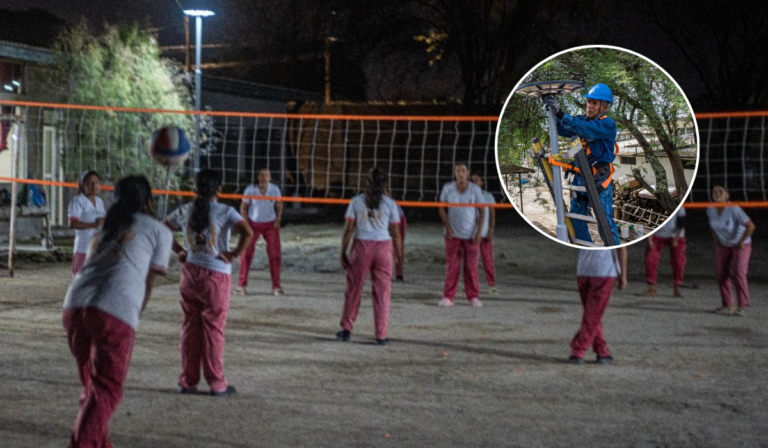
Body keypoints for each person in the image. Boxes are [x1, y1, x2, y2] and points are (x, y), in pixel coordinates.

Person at [63, 175, 173, 448]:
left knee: (92, 389)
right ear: (149, 201)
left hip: (74, 305)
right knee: (105, 391)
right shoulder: (158, 230)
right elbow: (147, 282)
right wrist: (133, 317)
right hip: (114, 310)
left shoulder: (106, 229)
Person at [165, 169, 253, 396]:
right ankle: (216, 383)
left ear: (194, 189)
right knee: (213, 330)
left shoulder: (185, 210)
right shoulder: (225, 211)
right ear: (219, 190)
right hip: (215, 275)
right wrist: (233, 254)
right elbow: (248, 233)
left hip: (190, 273)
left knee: (190, 328)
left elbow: (162, 229)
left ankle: (187, 381)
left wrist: (180, 250)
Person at [546, 83, 621, 246]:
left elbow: (586, 129)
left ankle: (613, 253)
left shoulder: (608, 124)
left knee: (605, 224)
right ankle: (587, 248)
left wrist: (561, 113)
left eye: (594, 103)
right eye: (588, 102)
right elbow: (564, 129)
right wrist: (552, 112)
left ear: (605, 106)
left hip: (599, 180)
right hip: (580, 178)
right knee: (575, 220)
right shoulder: (581, 120)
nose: (589, 106)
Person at [338, 167, 402, 345]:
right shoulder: (390, 204)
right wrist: (400, 258)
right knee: (382, 294)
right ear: (385, 184)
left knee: (353, 290)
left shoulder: (356, 201)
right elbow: (396, 233)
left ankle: (346, 330)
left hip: (361, 248)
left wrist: (342, 251)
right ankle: (381, 335)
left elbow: (348, 229)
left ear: (366, 182)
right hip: (383, 249)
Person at [569, 247, 628, 365]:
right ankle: (579, 349)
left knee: (592, 314)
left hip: (583, 269)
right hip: (604, 270)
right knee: (593, 315)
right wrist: (623, 275)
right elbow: (621, 248)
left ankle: (601, 350)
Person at [438, 162, 485, 307]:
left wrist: (479, 232)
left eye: (463, 171)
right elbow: (441, 208)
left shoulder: (475, 189)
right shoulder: (448, 188)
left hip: (471, 235)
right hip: (453, 234)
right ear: (454, 174)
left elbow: (482, 211)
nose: (460, 173)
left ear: (468, 173)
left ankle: (473, 297)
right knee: (452, 267)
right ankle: (448, 297)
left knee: (471, 268)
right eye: (457, 171)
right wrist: (447, 228)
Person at [707, 185, 756, 316]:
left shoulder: (733, 208)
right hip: (724, 244)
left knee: (739, 272)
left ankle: (742, 305)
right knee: (721, 273)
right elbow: (712, 226)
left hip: (741, 243)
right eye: (714, 191)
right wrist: (716, 239)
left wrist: (741, 241)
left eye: (720, 191)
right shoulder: (710, 209)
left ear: (727, 195)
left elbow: (751, 226)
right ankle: (727, 304)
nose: (717, 193)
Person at [235, 168, 284, 296]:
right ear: (258, 177)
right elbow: (243, 207)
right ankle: (241, 285)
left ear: (270, 178)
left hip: (270, 224)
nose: (264, 177)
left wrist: (278, 219)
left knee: (275, 254)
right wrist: (245, 223)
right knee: (246, 253)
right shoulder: (250, 189)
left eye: (266, 175)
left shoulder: (274, 189)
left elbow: (279, 204)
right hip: (253, 224)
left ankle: (276, 286)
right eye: (261, 175)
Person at [68, 170, 106, 277]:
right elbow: (73, 224)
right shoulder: (78, 201)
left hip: (97, 249)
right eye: (90, 183)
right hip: (83, 249)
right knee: (80, 282)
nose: (94, 185)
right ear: (82, 185)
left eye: (96, 182)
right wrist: (93, 225)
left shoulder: (99, 201)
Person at [644, 207, 687, 298]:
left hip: (676, 234)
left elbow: (681, 222)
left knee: (678, 261)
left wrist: (676, 239)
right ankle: (652, 287)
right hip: (658, 234)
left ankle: (677, 288)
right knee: (650, 259)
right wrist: (649, 238)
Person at [471, 173, 499, 294]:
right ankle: (472, 285)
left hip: (485, 233)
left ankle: (491, 285)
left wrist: (491, 230)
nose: (474, 182)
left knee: (488, 261)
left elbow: (492, 215)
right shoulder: (468, 196)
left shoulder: (487, 196)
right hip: (471, 234)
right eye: (472, 180)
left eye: (477, 180)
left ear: (482, 182)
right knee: (471, 262)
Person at [383, 180, 406, 281]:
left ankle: (399, 273)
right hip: (387, 221)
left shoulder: (389, 200)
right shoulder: (371, 198)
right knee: (384, 247)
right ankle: (385, 272)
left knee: (398, 248)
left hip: (399, 220)